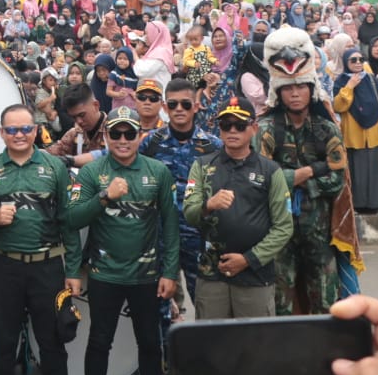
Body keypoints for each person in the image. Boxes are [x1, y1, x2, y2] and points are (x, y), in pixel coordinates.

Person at [66, 107, 177, 375]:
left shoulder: (159, 172)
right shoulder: (91, 172)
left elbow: (171, 225)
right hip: (105, 274)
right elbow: (72, 218)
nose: (123, 139)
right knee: (100, 342)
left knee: (151, 343)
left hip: (147, 276)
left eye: (130, 133)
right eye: (116, 133)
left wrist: (171, 272)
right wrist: (105, 196)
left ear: (141, 135)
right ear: (105, 135)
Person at [0, 103, 82, 375]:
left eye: (25, 128)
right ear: (2, 133)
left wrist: (72, 270)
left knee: (53, 344)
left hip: (46, 267)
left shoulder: (54, 167)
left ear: (35, 130)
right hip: (5, 266)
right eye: (12, 129)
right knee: (2, 345)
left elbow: (67, 222)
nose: (19, 134)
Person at [256, 27, 350, 315]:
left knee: (326, 302)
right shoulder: (266, 129)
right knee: (282, 305)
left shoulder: (327, 128)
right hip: (278, 231)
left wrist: (302, 183)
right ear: (279, 91)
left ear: (311, 89)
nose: (295, 94)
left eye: (300, 87)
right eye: (288, 88)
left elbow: (338, 178)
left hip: (319, 231)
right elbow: (260, 178)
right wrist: (309, 172)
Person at [183, 96, 293, 319]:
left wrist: (248, 259)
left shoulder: (271, 170)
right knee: (212, 346)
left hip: (255, 274)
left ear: (253, 128)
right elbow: (189, 214)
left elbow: (283, 227)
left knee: (255, 345)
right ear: (219, 129)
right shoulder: (203, 166)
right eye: (226, 125)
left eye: (240, 125)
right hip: (211, 273)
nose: (232, 131)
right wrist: (208, 205)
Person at [139, 78, 221, 327]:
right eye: (173, 104)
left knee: (207, 308)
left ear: (196, 106)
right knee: (160, 308)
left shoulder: (212, 146)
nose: (179, 110)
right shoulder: (151, 143)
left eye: (186, 104)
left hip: (198, 237)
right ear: (164, 106)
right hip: (161, 237)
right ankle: (165, 363)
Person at [332, 48, 378, 213]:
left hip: (374, 132)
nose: (358, 63)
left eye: (361, 59)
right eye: (353, 60)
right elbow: (339, 106)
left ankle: (377, 205)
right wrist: (350, 87)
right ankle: (357, 205)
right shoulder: (340, 81)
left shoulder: (371, 79)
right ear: (346, 63)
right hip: (353, 134)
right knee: (356, 172)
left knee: (375, 170)